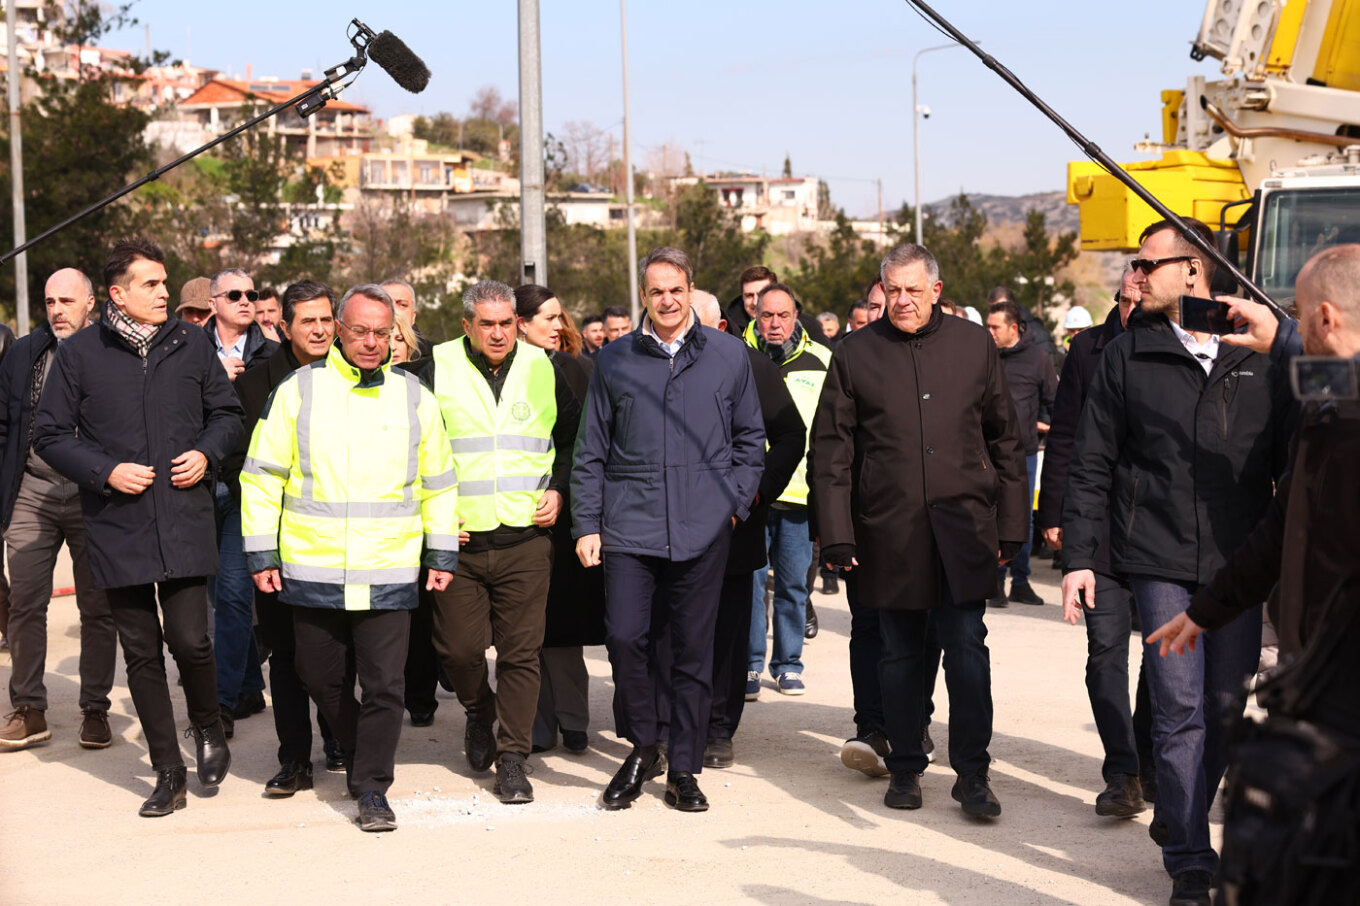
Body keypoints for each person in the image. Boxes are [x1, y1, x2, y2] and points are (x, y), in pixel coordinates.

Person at [1060, 219, 1296, 906]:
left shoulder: (1260, 353)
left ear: (1194, 270)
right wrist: (1078, 556)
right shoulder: (1126, 355)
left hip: (1240, 563)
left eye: (1147, 264)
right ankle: (1193, 857)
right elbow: (1091, 463)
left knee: (1224, 708)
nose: (1135, 276)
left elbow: (1294, 464)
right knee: (1179, 706)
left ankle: (1180, 811)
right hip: (1158, 560)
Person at [1146, 244, 1360, 905]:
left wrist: (1288, 340)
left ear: (1324, 316)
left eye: (1299, 313)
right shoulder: (1329, 410)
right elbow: (1278, 531)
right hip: (1320, 680)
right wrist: (1206, 610)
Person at [812, 242, 1027, 818]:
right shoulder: (856, 353)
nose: (902, 301)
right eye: (892, 290)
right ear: (881, 290)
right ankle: (905, 766)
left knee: (967, 653)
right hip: (890, 532)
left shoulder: (974, 345)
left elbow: (1005, 440)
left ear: (935, 290)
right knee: (900, 655)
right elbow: (832, 452)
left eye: (913, 290)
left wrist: (1011, 523)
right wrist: (837, 533)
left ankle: (973, 776)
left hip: (963, 531)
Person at [34, 238, 243, 817]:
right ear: (118, 295)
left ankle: (207, 727)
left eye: (164, 282)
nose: (163, 293)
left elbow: (227, 414)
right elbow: (50, 435)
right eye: (151, 284)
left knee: (190, 639)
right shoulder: (79, 355)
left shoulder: (192, 345)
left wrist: (206, 453)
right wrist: (105, 471)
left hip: (182, 517)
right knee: (142, 651)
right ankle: (167, 771)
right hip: (116, 522)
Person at [241, 283, 459, 833]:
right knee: (319, 677)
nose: (369, 342)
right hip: (314, 572)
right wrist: (262, 551)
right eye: (358, 331)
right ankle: (361, 755)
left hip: (389, 570)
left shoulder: (414, 396)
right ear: (339, 331)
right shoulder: (298, 391)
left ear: (394, 334)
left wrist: (441, 551)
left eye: (379, 333)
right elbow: (262, 476)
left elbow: (439, 484)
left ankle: (371, 788)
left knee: (386, 687)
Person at [572, 246, 764, 812]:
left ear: (690, 288)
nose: (667, 300)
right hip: (629, 526)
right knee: (626, 638)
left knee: (691, 651)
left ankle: (684, 767)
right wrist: (587, 522)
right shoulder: (615, 360)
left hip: (704, 529)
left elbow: (752, 440)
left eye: (676, 289)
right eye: (656, 291)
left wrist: (732, 502)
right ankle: (644, 745)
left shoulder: (730, 356)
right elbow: (592, 449)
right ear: (644, 297)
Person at [409, 280, 580, 805]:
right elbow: (407, 447)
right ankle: (479, 709)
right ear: (467, 325)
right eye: (487, 323)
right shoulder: (435, 368)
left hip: (526, 540)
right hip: (459, 541)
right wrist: (430, 512)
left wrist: (559, 488)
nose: (499, 332)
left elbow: (576, 438)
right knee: (458, 652)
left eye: (507, 322)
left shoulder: (543, 366)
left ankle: (512, 759)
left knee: (520, 655)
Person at [1038, 266, 1155, 818]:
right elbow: (1064, 436)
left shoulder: (1173, 349)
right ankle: (1123, 773)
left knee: (1163, 663)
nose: (1131, 306)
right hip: (1102, 530)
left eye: (1140, 297)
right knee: (1105, 653)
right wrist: (1058, 514)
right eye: (1124, 298)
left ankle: (1152, 762)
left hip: (1160, 534)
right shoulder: (1088, 349)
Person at [231, 279, 348, 796]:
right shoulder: (255, 386)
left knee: (334, 652)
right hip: (279, 542)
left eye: (327, 319)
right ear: (284, 326)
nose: (320, 329)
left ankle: (341, 739)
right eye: (308, 321)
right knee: (285, 654)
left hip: (343, 542)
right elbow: (240, 463)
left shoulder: (358, 376)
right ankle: (294, 759)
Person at [0, 269, 117, 751]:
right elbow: (5, 423)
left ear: (91, 303)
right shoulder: (25, 352)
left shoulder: (113, 351)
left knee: (98, 607)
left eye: (66, 300)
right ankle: (29, 708)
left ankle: (95, 707)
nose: (57, 310)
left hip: (95, 491)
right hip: (33, 489)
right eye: (49, 302)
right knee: (25, 601)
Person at [684, 291, 802, 770]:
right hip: (665, 526)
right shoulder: (651, 362)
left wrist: (755, 494)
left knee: (727, 634)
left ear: (722, 327)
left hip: (733, 526)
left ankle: (717, 728)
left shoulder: (752, 367)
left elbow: (791, 434)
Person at [513, 284, 604, 756]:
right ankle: (537, 721)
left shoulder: (575, 368)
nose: (557, 325)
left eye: (558, 316)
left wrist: (567, 497)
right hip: (513, 521)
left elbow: (587, 447)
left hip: (566, 517)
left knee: (563, 627)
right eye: (546, 317)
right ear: (520, 323)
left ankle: (573, 720)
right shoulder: (498, 375)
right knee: (527, 632)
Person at [742, 282, 830, 698]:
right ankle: (751, 665)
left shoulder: (822, 361)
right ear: (755, 317)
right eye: (766, 316)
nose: (774, 324)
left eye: (783, 315)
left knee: (794, 586)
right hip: (750, 495)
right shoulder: (735, 357)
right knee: (751, 585)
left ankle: (789, 664)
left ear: (796, 316)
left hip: (798, 496)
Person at [205, 266, 278, 734]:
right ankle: (250, 684)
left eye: (251, 293)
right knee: (217, 593)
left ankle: (222, 702)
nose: (246, 301)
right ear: (214, 302)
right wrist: (213, 378)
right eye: (234, 294)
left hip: (245, 486)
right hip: (197, 485)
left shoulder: (271, 354)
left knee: (233, 591)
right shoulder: (189, 350)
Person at [985, 298, 1057, 607]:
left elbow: (1055, 401)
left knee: (1022, 517)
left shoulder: (1039, 359)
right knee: (990, 516)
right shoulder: (983, 356)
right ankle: (995, 582)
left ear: (1013, 328)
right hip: (985, 452)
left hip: (1023, 452)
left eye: (994, 327)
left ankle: (1022, 580)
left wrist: (1045, 427)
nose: (988, 332)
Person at [382, 278, 434, 359]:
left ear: (413, 316)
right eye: (386, 304)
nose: (394, 310)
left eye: (402, 305)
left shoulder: (436, 356)